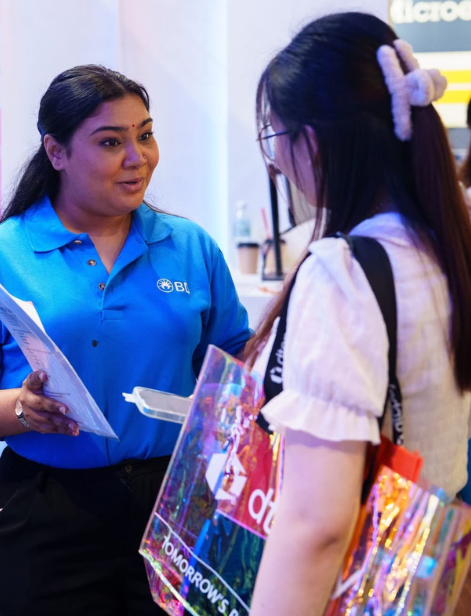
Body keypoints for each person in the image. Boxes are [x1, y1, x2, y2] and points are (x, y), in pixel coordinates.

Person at [0, 64, 251, 615]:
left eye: (144, 135)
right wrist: (18, 408)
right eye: (110, 142)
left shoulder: (190, 247)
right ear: (56, 152)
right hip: (49, 509)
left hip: (178, 500)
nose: (137, 157)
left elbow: (235, 364)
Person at [245, 13, 471, 616]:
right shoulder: (447, 246)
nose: (275, 164)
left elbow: (317, 522)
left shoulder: (344, 273)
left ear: (312, 142)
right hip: (431, 577)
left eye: (275, 138)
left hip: (359, 584)